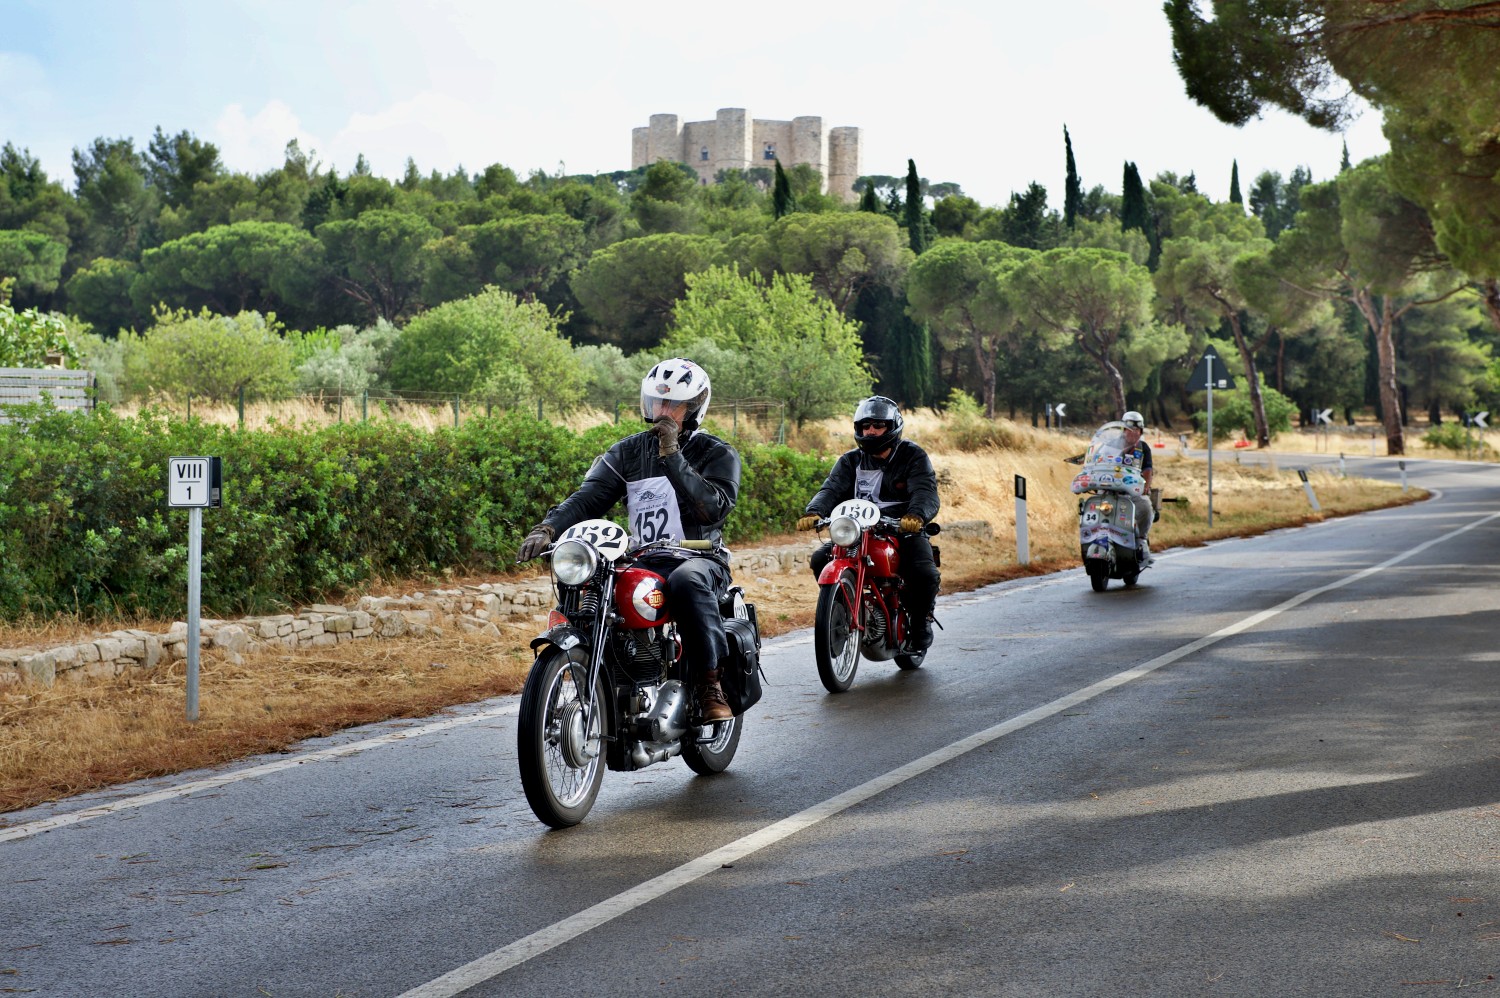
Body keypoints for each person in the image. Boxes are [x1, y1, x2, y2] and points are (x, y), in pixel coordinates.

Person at [516, 358, 742, 722]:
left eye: (673, 404)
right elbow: (589, 497)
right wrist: (548, 529)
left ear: (695, 408)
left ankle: (708, 683)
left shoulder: (717, 453)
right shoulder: (627, 451)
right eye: (657, 402)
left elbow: (711, 509)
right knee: (593, 580)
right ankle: (599, 672)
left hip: (698, 558)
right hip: (644, 556)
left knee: (686, 581)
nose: (662, 411)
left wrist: (672, 455)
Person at [797, 396, 941, 650]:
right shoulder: (850, 461)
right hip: (857, 530)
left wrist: (915, 516)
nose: (870, 431)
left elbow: (925, 491)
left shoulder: (912, 456)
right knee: (821, 558)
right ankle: (841, 608)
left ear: (892, 427)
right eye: (865, 426)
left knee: (924, 572)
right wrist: (814, 512)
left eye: (878, 425)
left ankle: (920, 621)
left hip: (901, 528)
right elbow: (831, 489)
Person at [1118, 410, 1155, 562]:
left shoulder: (1143, 448)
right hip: (1110, 489)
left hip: (1132, 490)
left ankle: (1141, 540)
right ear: (1123, 430)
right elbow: (1097, 461)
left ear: (1141, 431)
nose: (1133, 433)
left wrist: (1145, 486)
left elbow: (1148, 469)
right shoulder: (1111, 444)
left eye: (1137, 430)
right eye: (1130, 429)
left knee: (1146, 506)